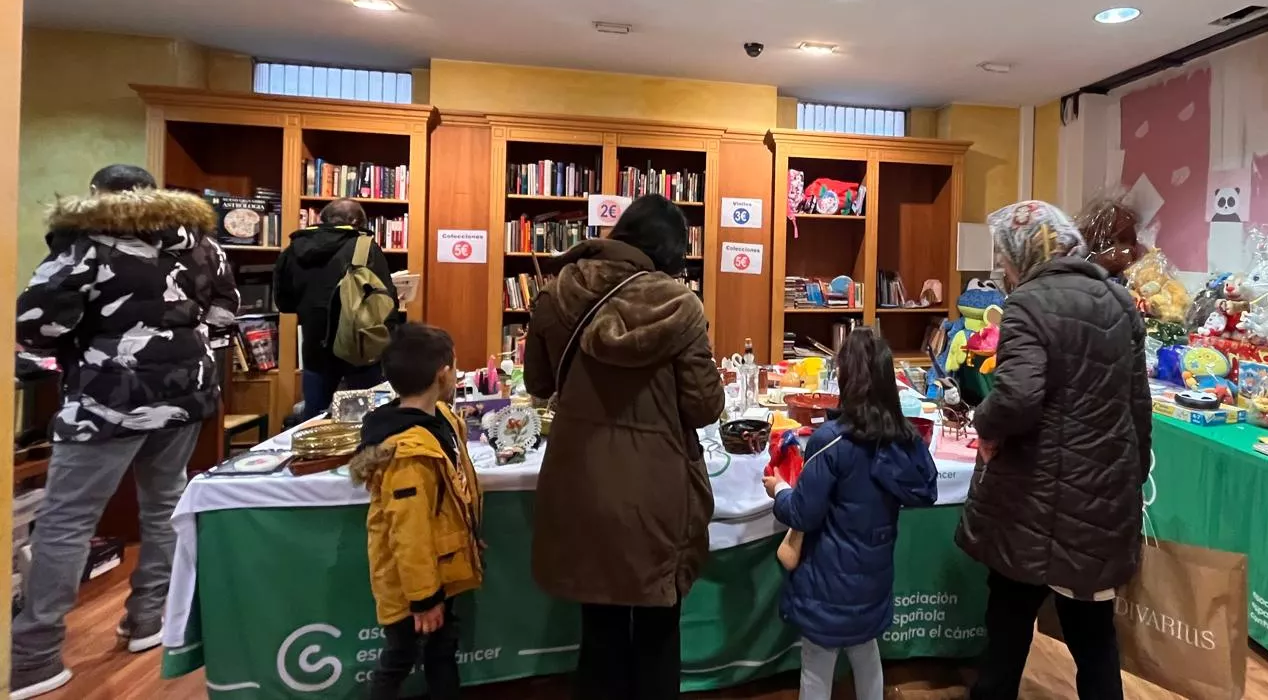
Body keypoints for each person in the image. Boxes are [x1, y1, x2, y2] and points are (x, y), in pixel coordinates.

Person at [12, 164, 239, 700]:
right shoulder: (203, 243)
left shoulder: (87, 243)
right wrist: (184, 337)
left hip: (105, 396)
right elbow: (229, 313)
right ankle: (149, 620)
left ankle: (34, 657)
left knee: (66, 519)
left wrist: (88, 345)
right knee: (165, 506)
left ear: (97, 195)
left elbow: (36, 324)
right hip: (186, 391)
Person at [525, 194, 724, 700]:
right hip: (656, 486)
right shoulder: (680, 306)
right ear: (671, 250)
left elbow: (541, 383)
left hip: (580, 479)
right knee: (659, 627)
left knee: (599, 627)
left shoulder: (556, 291)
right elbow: (704, 407)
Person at [956, 200, 1152, 700]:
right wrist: (1128, 477)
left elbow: (1018, 397)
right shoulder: (1119, 300)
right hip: (1103, 499)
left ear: (1025, 252)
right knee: (1094, 638)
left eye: (1004, 257)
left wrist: (984, 423)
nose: (1001, 268)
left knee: (1008, 630)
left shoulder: (1028, 302)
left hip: (1036, 504)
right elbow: (1137, 404)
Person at [762, 328, 937, 700]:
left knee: (817, 663)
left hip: (828, 580)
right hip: (873, 577)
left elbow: (803, 514)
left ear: (845, 377)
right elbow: (927, 486)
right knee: (866, 653)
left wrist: (779, 490)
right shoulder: (903, 438)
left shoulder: (832, 440)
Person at [349, 323, 482, 700]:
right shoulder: (408, 453)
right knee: (400, 656)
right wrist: (423, 598)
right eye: (455, 368)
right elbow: (409, 531)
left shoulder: (440, 421)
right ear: (443, 374)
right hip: (414, 585)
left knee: (442, 649)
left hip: (440, 567)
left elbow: (454, 494)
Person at [274, 198, 398, 423]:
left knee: (315, 421)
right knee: (369, 420)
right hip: (359, 347)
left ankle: (317, 458)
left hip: (314, 347)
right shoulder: (363, 246)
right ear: (354, 221)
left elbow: (284, 303)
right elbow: (387, 302)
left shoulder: (294, 248)